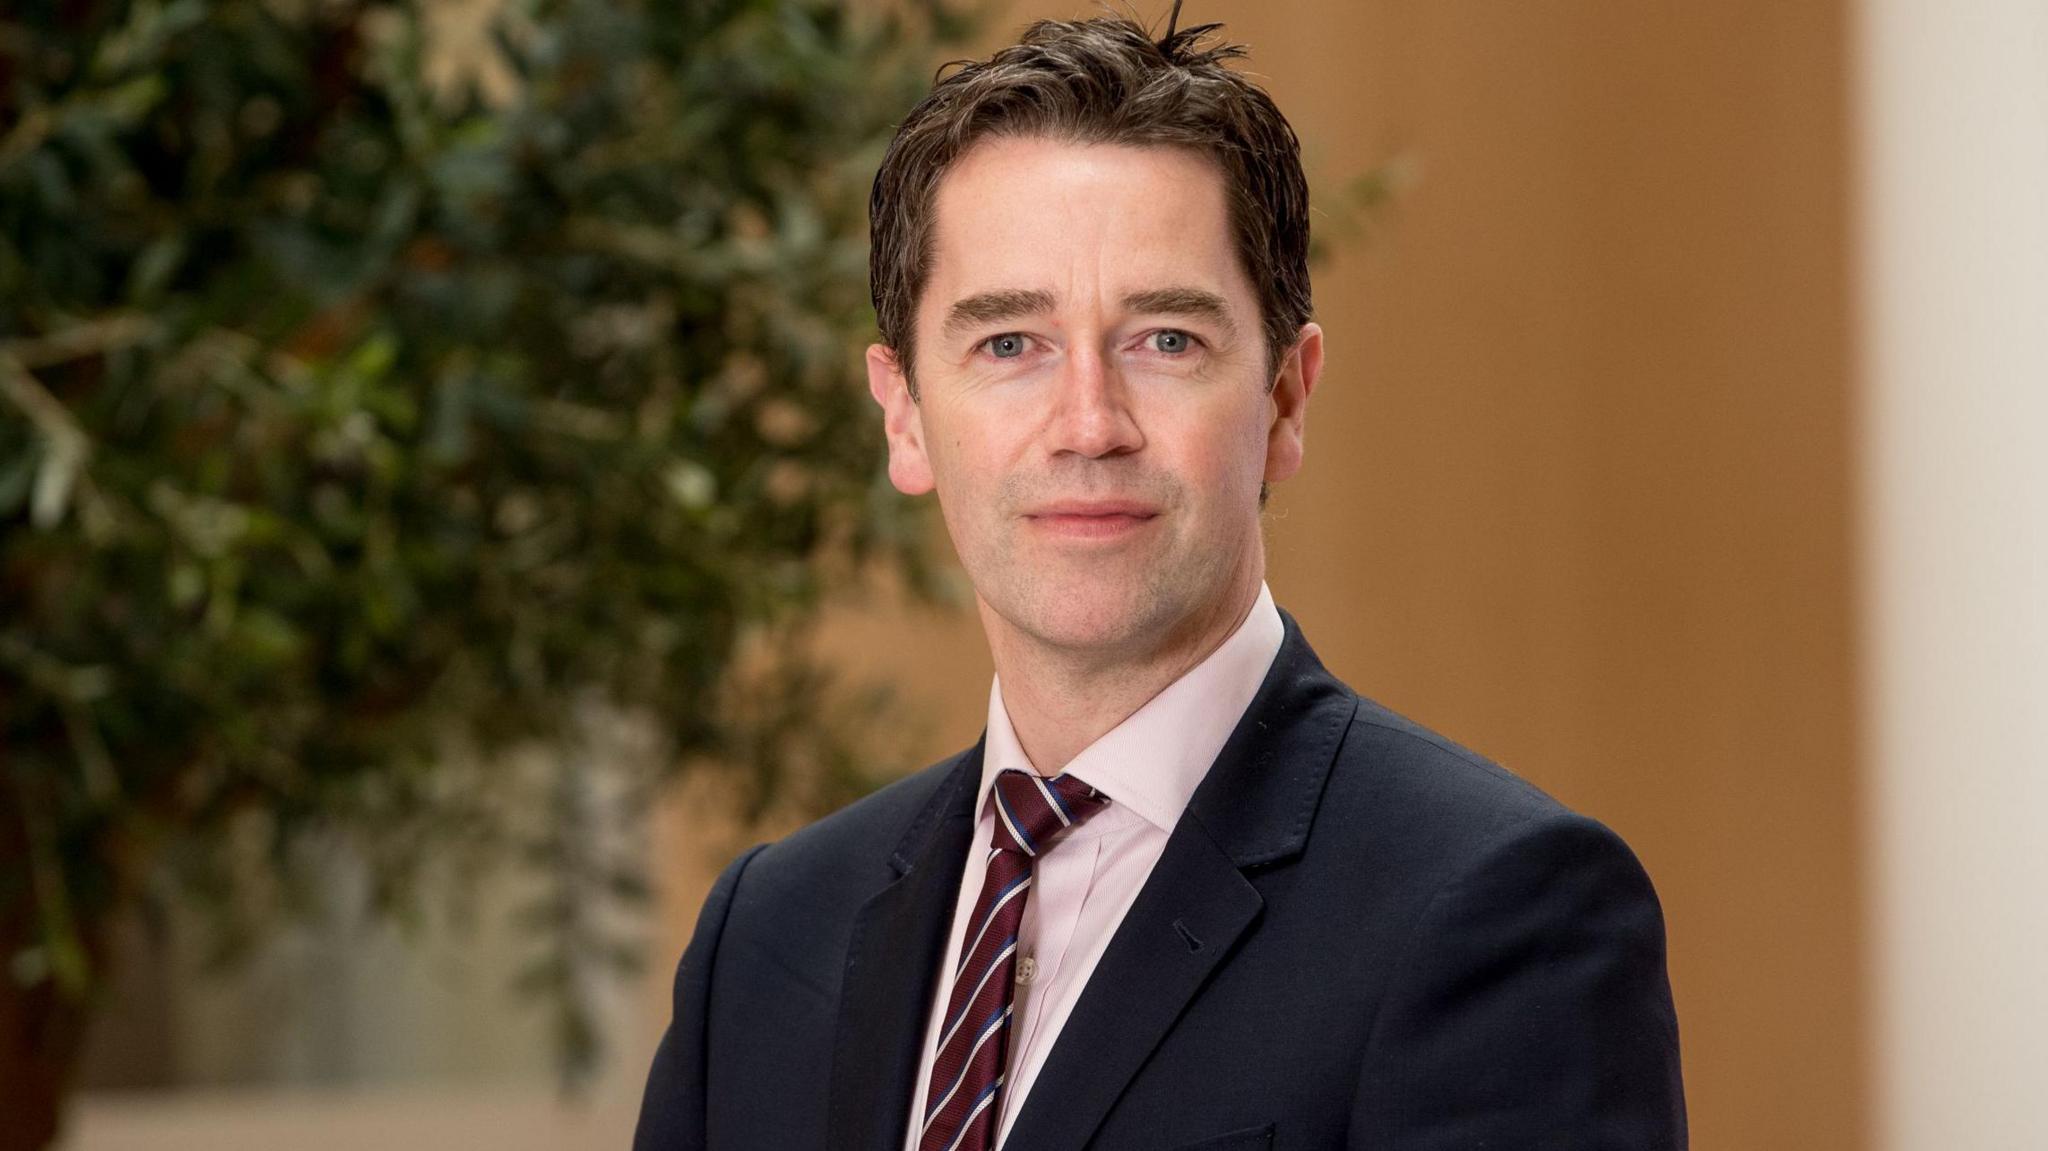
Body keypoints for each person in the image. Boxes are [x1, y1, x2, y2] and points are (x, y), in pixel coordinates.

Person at [635, 11, 1686, 1151]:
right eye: (1008, 344)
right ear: (903, 416)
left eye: (1164, 340)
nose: (1087, 424)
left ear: (1285, 399)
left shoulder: (1499, 911)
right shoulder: (767, 936)